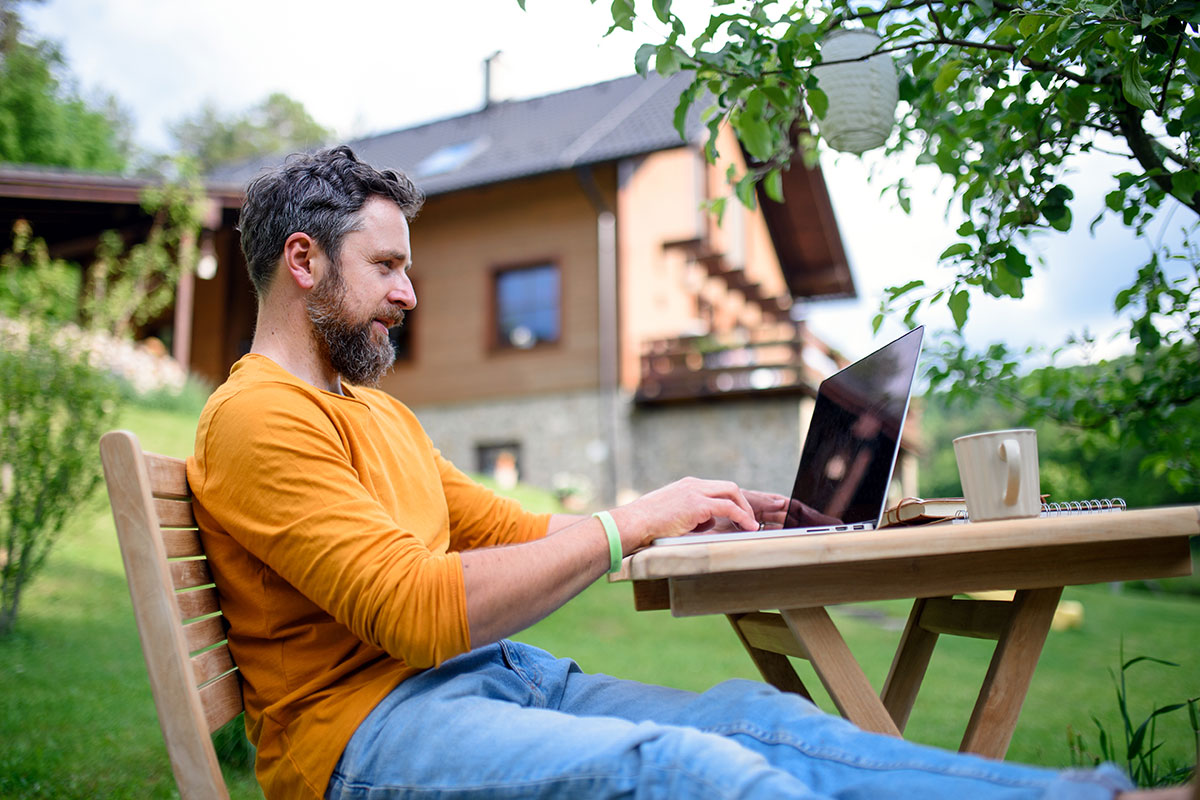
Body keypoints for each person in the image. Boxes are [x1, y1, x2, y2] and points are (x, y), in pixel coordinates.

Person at [187, 146, 1184, 800]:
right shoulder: (257, 419)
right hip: (366, 734)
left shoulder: (378, 413)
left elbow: (510, 531)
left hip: (496, 682)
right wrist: (633, 526)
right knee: (689, 770)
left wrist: (672, 512)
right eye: (388, 266)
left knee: (758, 717)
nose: (411, 292)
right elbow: (412, 610)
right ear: (305, 262)